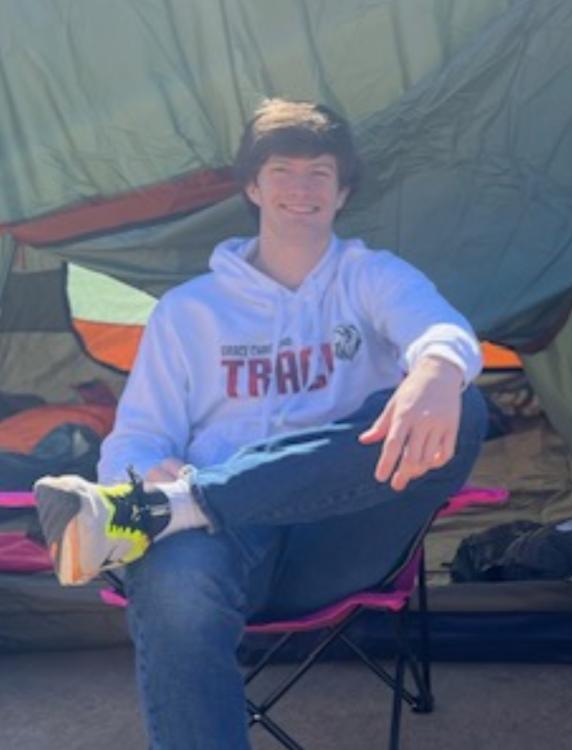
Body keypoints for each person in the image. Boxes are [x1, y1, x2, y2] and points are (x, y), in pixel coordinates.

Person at [33, 98, 487, 749]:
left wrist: (439, 368)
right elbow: (136, 437)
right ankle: (181, 509)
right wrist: (139, 471)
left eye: (319, 174)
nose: (300, 189)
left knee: (465, 406)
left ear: (342, 192)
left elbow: (437, 326)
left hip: (340, 537)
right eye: (282, 171)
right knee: (172, 570)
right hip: (226, 546)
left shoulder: (372, 277)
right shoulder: (189, 312)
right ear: (252, 186)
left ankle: (183, 504)